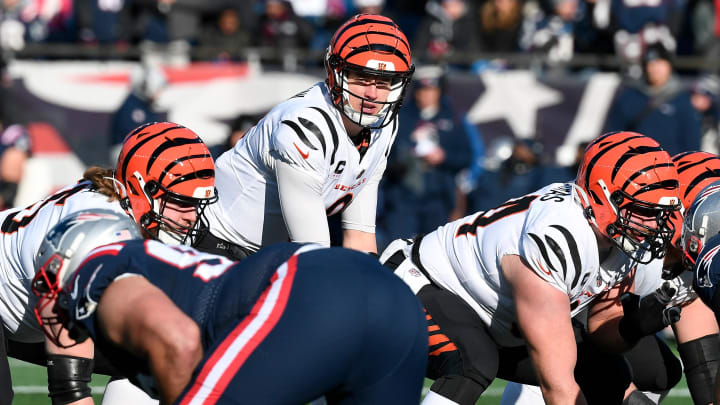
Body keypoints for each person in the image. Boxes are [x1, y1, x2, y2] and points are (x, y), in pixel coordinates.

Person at [379, 131, 682, 405]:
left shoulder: (616, 236)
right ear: (603, 197)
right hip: (422, 281)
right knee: (472, 363)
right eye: (644, 210)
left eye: (660, 212)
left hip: (494, 316)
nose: (654, 224)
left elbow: (602, 324)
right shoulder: (559, 236)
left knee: (609, 376)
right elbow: (559, 389)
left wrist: (634, 325)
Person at [31, 209, 429, 405]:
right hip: (392, 302)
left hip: (313, 289)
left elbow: (179, 340)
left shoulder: (99, 267)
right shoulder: (150, 261)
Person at [0, 121, 217, 405]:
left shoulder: (133, 209)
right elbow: (67, 389)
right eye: (181, 202)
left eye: (195, 203)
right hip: (25, 303)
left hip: (32, 315)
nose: (191, 217)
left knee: (165, 349)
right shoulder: (94, 235)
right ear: (142, 188)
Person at [499, 151, 720, 405]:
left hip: (598, 336)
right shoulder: (624, 239)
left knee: (661, 371)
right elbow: (575, 332)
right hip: (536, 330)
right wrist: (628, 397)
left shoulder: (693, 265)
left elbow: (704, 361)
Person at [196, 13, 415, 260]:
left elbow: (360, 237)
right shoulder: (306, 127)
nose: (372, 94)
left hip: (272, 252)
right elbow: (313, 255)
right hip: (222, 243)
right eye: (361, 78)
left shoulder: (384, 126)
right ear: (336, 73)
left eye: (384, 82)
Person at [603, 43, 702, 156]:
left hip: (671, 167)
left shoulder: (682, 100)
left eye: (659, 63)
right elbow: (614, 136)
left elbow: (692, 144)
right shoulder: (630, 97)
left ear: (669, 65)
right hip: (636, 167)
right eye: (651, 63)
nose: (655, 68)